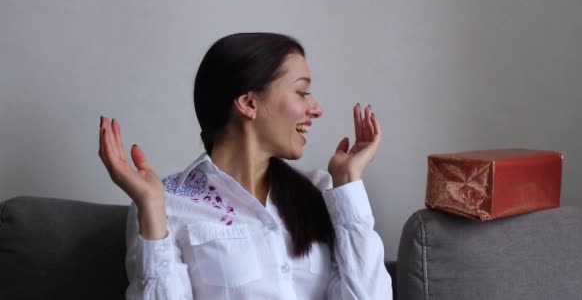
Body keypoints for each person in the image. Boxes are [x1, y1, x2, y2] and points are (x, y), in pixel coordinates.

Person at [98, 33, 392, 299]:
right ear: (249, 103)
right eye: (302, 92)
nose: (316, 109)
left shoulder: (324, 193)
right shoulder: (166, 203)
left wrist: (348, 182)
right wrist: (151, 207)